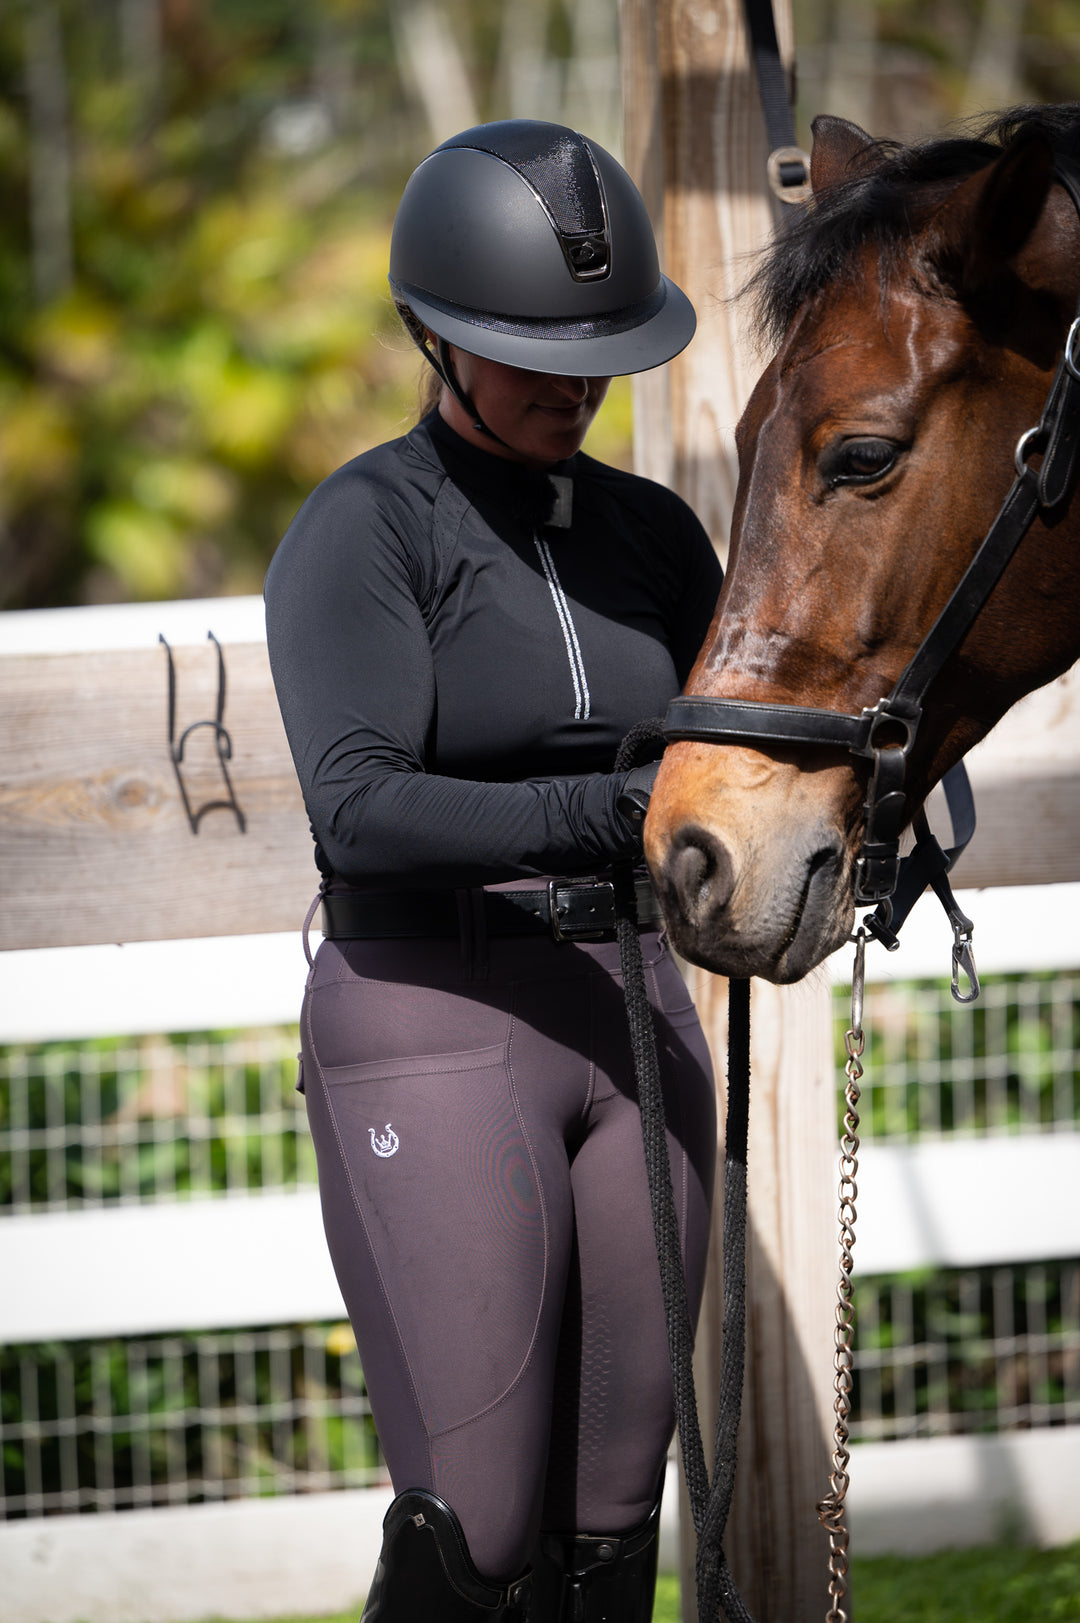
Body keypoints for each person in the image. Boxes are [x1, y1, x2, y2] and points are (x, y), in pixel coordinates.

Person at [264, 119, 723, 1623]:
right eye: (524, 346)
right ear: (431, 336)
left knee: (614, 1504)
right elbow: (362, 811)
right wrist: (613, 811)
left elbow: (746, 748)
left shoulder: (656, 535)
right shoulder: (367, 529)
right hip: (436, 1019)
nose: (571, 382)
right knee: (488, 1521)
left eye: (594, 347)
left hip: (635, 1009)